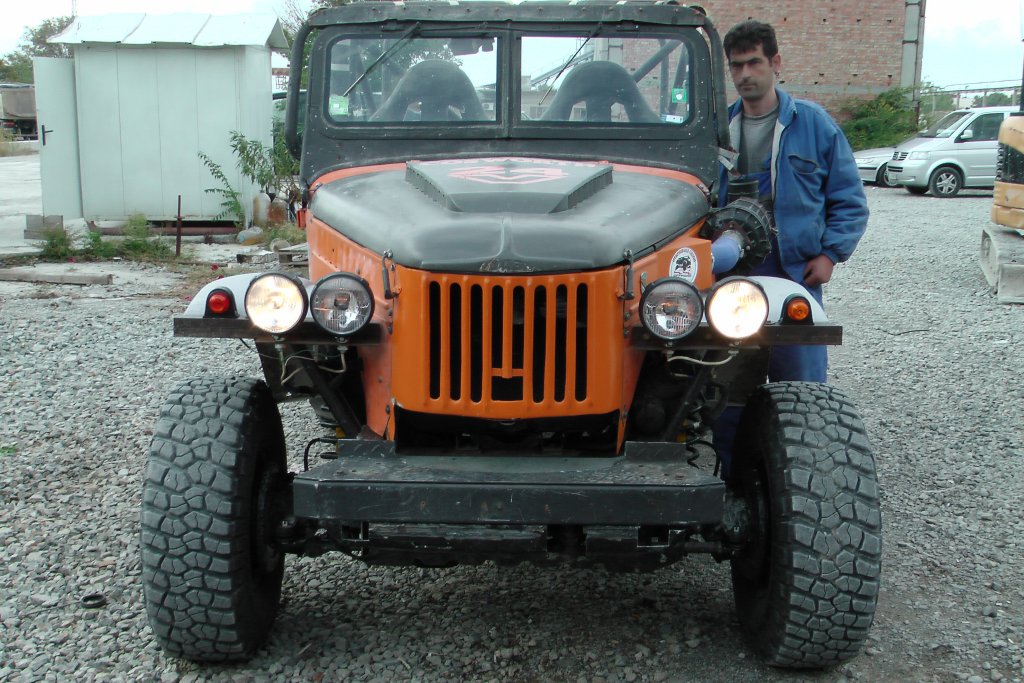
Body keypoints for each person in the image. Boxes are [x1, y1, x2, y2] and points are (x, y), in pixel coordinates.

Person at [712, 20, 869, 476]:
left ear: (776, 63)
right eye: (736, 66)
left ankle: (801, 477)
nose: (745, 74)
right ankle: (733, 478)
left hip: (794, 271)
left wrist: (830, 255)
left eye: (754, 62)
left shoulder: (814, 126)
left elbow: (849, 200)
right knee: (728, 379)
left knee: (801, 383)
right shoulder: (719, 130)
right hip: (733, 274)